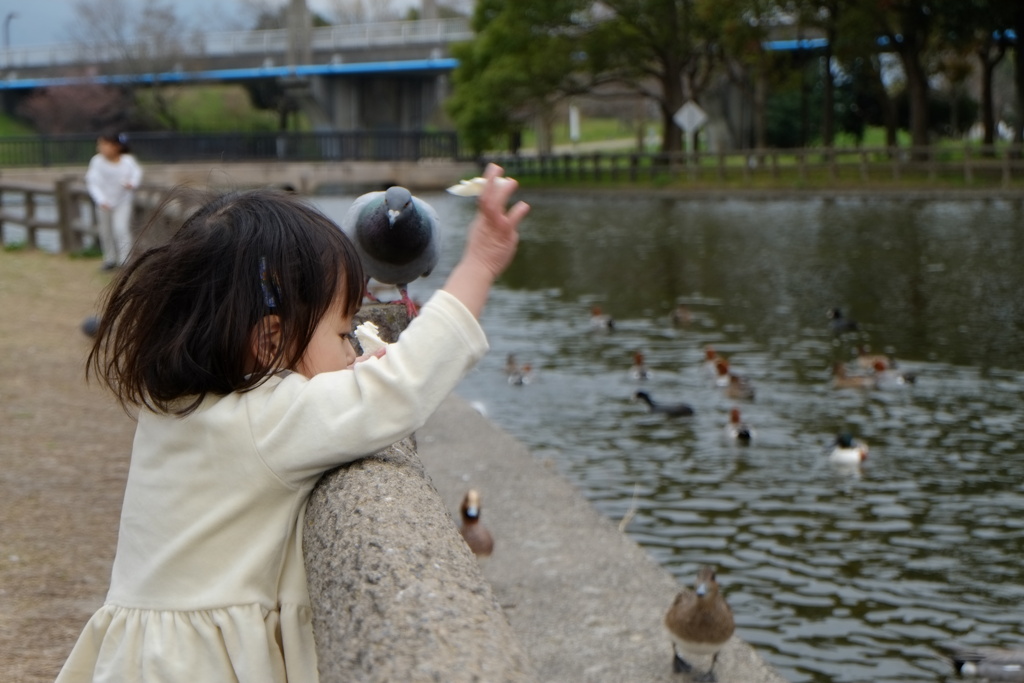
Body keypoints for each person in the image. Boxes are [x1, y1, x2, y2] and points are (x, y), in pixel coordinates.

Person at [56, 163, 529, 682]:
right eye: (344, 332)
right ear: (269, 341)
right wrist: (480, 262)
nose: (352, 349)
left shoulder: (180, 406)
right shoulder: (268, 420)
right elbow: (401, 387)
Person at [85, 130, 143, 270]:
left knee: (121, 229)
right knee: (106, 231)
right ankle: (110, 259)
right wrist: (100, 199)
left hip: (123, 201)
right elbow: (92, 182)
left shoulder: (127, 161)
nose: (100, 148)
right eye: (100, 144)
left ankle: (125, 260)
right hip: (104, 203)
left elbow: (137, 174)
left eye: (104, 144)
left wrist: (132, 184)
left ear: (116, 146)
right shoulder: (97, 161)